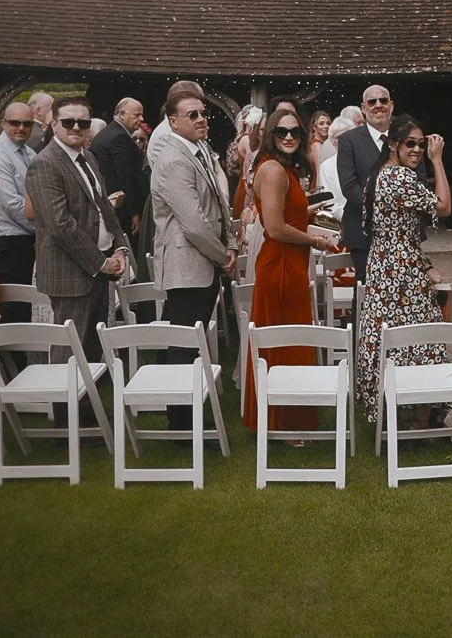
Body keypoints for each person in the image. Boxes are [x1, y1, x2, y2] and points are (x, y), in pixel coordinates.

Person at [244, 110, 340, 431]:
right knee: (287, 342)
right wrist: (315, 239)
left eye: (295, 132)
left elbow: (285, 213)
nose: (289, 137)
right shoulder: (273, 169)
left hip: (290, 262)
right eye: (282, 131)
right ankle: (285, 422)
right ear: (271, 135)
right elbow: (275, 228)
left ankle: (284, 417)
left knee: (290, 340)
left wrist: (306, 210)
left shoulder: (281, 167)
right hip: (281, 265)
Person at [355, 115, 451, 419]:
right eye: (411, 143)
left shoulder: (378, 174)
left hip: (382, 264)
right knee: (420, 335)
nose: (418, 150)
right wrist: (437, 160)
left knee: (387, 334)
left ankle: (388, 409)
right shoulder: (399, 177)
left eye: (422, 145)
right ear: (393, 144)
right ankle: (420, 415)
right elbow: (444, 206)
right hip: (401, 272)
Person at [151, 86, 235, 429]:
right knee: (184, 343)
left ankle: (186, 414)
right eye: (193, 115)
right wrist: (222, 256)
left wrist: (229, 243)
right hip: (187, 263)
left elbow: (218, 205)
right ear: (173, 122)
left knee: (191, 339)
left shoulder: (197, 150)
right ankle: (183, 423)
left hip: (202, 261)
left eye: (203, 113)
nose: (201, 119)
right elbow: (194, 223)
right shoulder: (173, 159)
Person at [26, 96, 129, 362]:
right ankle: (66, 394)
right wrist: (101, 263)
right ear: (54, 124)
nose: (76, 127)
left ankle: (89, 391)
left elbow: (103, 207)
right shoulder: (45, 163)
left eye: (82, 122)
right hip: (70, 272)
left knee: (93, 351)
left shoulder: (88, 158)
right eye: (68, 122)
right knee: (69, 354)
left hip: (101, 267)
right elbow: (59, 225)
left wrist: (119, 248)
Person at [0, 102, 37, 322]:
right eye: (15, 123)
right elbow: (11, 204)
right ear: (3, 123)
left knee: (23, 307)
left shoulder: (29, 153)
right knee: (11, 309)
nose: (21, 128)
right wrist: (44, 227)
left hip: (25, 238)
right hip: (7, 240)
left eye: (27, 124)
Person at [338, 85, 395, 282]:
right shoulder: (348, 140)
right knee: (367, 288)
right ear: (364, 108)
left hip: (402, 231)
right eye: (372, 102)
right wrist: (381, 212)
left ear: (391, 105)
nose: (378, 105)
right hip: (363, 230)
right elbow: (349, 186)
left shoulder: (405, 137)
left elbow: (418, 178)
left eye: (383, 100)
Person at [90, 97, 147, 238]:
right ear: (122, 114)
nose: (141, 119)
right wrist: (134, 212)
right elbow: (126, 177)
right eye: (136, 115)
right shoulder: (119, 137)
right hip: (121, 207)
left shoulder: (109, 133)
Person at [318, 116, 355, 224]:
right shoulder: (326, 166)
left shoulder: (365, 161)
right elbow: (329, 202)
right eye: (338, 137)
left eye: (347, 135)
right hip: (344, 222)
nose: (344, 140)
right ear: (332, 141)